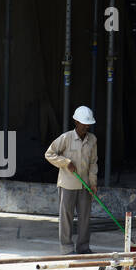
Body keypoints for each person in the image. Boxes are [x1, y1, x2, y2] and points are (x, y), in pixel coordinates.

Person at [44, 106, 98, 255]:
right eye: (83, 123)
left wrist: (93, 183)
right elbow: (49, 154)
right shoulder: (66, 138)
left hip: (85, 185)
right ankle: (66, 248)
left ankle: (83, 247)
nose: (86, 126)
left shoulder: (92, 140)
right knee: (66, 217)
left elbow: (93, 163)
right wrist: (65, 162)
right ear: (75, 121)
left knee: (85, 218)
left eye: (88, 124)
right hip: (67, 184)